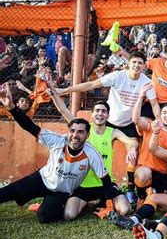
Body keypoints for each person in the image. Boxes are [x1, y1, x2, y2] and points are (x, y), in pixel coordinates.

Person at [0, 83, 115, 224]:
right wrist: (11, 107)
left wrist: (109, 206)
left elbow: (105, 179)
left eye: (80, 132)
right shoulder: (57, 141)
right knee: (10, 191)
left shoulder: (91, 153)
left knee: (45, 217)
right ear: (68, 132)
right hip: (42, 179)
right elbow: (29, 126)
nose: (75, 135)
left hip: (61, 192)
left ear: (87, 135)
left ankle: (48, 205)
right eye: (72, 131)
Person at [57, 51, 160, 203]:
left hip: (128, 123)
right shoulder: (118, 76)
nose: (137, 65)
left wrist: (159, 120)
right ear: (128, 64)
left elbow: (154, 103)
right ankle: (81, 185)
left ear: (144, 66)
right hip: (108, 120)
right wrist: (64, 91)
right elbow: (91, 84)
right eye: (134, 62)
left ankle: (131, 189)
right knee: (93, 151)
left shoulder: (146, 83)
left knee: (133, 153)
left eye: (140, 63)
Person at [46, 86, 137, 220]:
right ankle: (90, 201)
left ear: (108, 115)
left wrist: (133, 148)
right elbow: (63, 110)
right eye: (97, 111)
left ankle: (102, 201)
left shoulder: (112, 132)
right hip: (83, 184)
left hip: (106, 184)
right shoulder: (83, 129)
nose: (100, 114)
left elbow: (132, 142)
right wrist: (54, 94)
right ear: (92, 114)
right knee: (69, 215)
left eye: (104, 111)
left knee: (125, 210)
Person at [131, 83, 167, 207]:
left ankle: (153, 196)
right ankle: (141, 196)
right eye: (164, 113)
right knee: (144, 175)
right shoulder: (151, 124)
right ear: (160, 115)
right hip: (145, 168)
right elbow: (136, 119)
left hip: (161, 173)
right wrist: (141, 97)